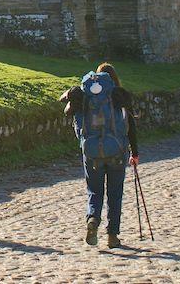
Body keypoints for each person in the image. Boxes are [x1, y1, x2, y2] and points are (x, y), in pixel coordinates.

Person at [59, 62, 139, 248]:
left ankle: (93, 219)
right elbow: (131, 126)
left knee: (94, 191)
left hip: (92, 152)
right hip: (117, 152)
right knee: (115, 193)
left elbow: (70, 114)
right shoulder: (118, 95)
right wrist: (134, 153)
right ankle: (112, 236)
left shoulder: (86, 96)